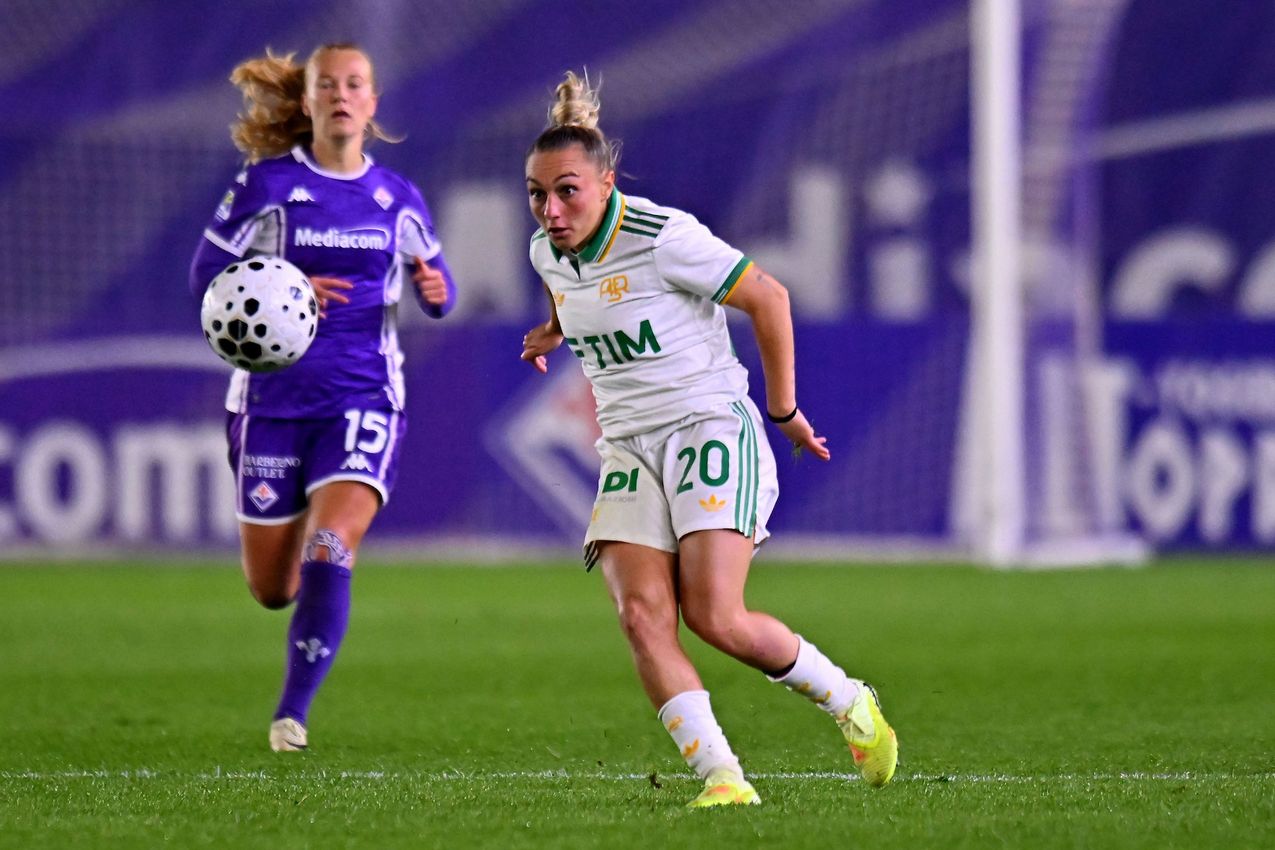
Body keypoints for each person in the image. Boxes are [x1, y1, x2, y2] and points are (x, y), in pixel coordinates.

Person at [519, 72, 898, 807]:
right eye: (537, 195)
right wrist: (552, 329)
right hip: (628, 446)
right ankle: (723, 778)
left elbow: (768, 297)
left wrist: (784, 410)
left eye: (566, 191)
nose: (550, 209)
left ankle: (849, 701)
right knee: (639, 617)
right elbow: (574, 295)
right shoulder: (546, 251)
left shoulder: (663, 236)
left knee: (715, 617)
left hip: (706, 426)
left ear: (606, 183)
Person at [188, 43, 455, 752]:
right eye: (326, 84)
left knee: (331, 545)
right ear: (306, 102)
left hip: (363, 397)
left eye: (355, 84)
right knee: (272, 589)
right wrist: (287, 285)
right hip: (272, 404)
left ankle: (291, 715)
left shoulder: (396, 196)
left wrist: (437, 291)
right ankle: (293, 695)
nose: (341, 94)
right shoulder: (266, 186)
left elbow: (438, 280)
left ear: (371, 102)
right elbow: (204, 278)